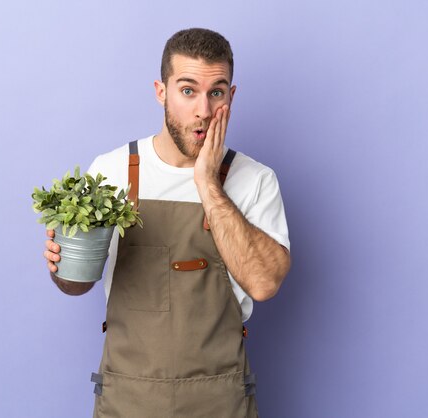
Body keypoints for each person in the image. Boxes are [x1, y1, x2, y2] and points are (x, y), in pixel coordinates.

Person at [43, 28, 291, 418]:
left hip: (220, 400)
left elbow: (263, 284)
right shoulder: (110, 171)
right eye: (188, 90)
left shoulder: (256, 180)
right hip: (128, 399)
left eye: (217, 92)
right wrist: (63, 264)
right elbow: (75, 284)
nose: (204, 112)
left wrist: (209, 185)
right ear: (161, 91)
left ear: (231, 96)